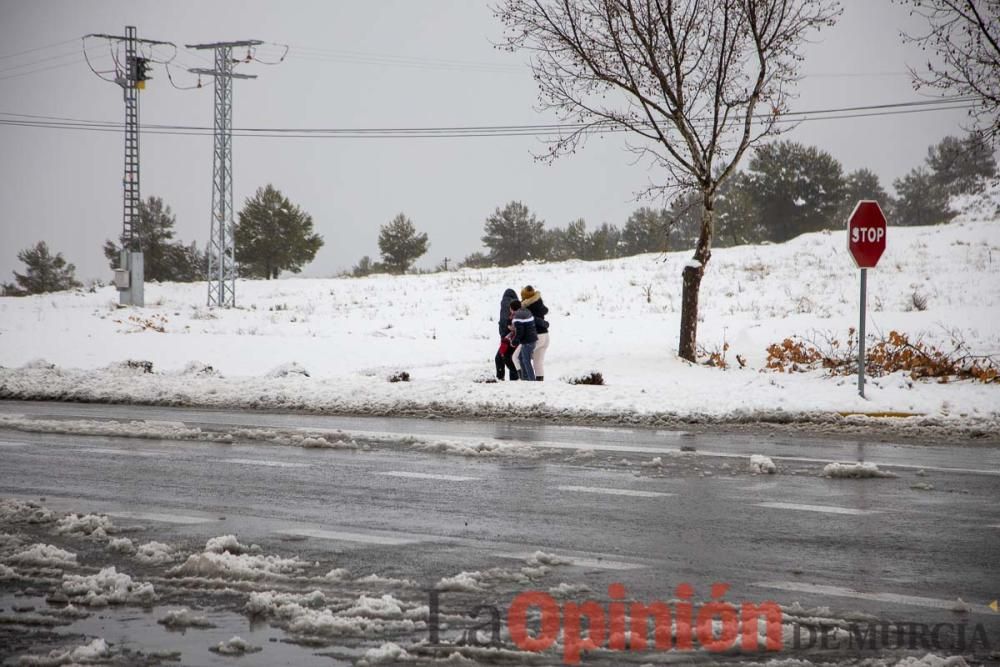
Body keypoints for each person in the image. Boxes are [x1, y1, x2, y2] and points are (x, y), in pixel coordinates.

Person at [518, 285, 550, 381]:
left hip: (536, 336)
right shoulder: (539, 302)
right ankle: (539, 383)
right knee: (538, 362)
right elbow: (546, 310)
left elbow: (533, 319)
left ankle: (528, 380)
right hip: (546, 336)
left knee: (521, 357)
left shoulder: (527, 307)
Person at [509, 299, 538, 381]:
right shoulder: (526, 311)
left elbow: (520, 332)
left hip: (527, 341)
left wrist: (514, 341)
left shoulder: (517, 316)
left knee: (526, 361)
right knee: (521, 358)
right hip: (532, 339)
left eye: (510, 308)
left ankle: (531, 381)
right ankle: (525, 379)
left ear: (512, 308)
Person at [495, 288, 518, 380]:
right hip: (511, 337)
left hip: (507, 337)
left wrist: (502, 334)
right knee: (510, 358)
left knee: (500, 358)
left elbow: (503, 322)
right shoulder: (517, 305)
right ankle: (514, 379)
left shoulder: (504, 304)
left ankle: (501, 378)